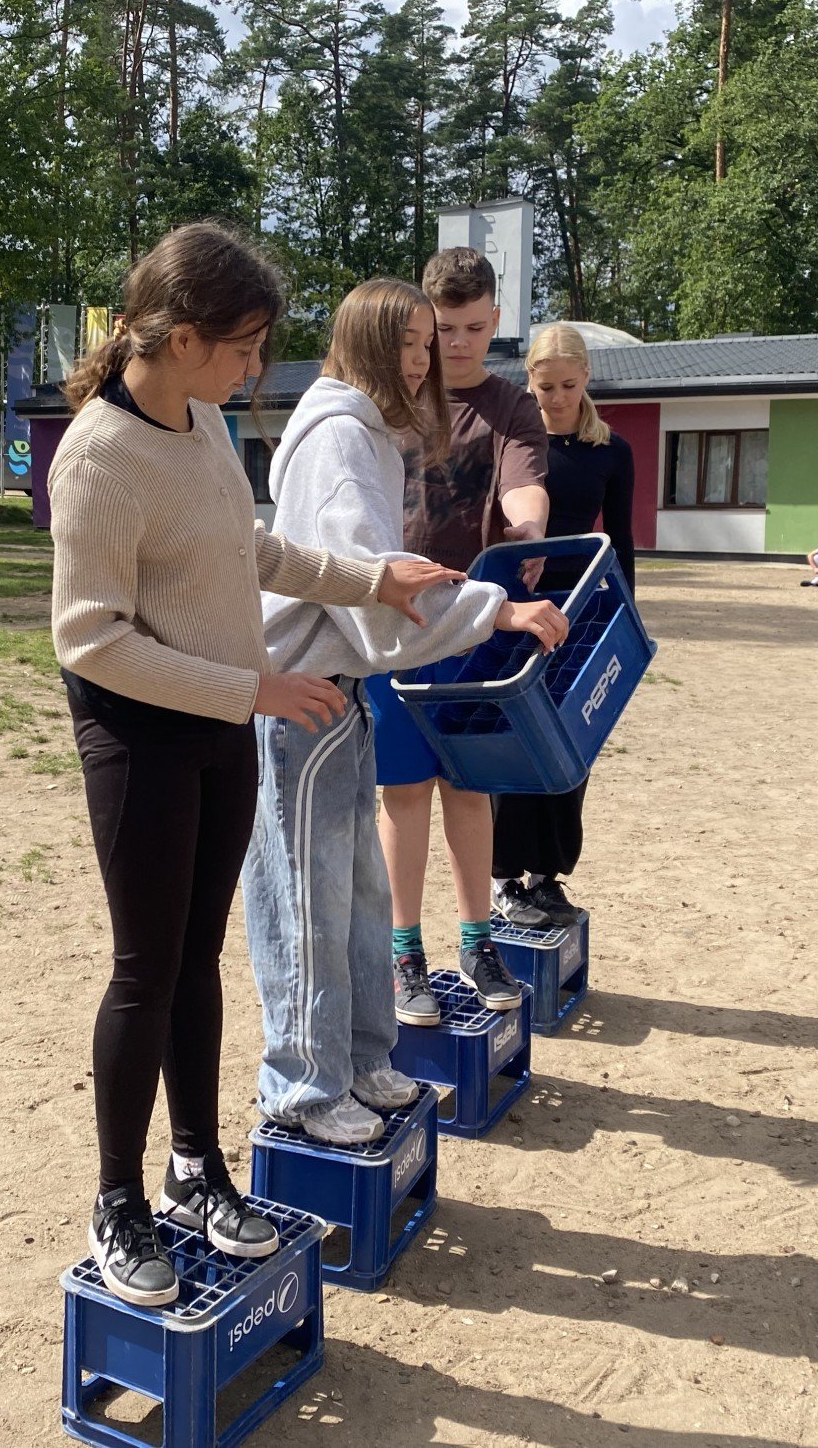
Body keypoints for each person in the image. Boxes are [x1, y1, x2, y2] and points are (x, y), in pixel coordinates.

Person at [48, 223, 466, 1306]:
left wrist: (373, 579)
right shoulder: (97, 455)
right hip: (140, 738)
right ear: (182, 337)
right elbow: (89, 639)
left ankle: (195, 1171)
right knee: (145, 971)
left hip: (219, 731)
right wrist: (255, 690)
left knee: (198, 963)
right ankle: (117, 1200)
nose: (254, 368)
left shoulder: (198, 423)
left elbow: (254, 549)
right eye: (242, 348)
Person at [245, 279, 569, 1145]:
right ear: (364, 343)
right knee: (307, 902)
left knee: (358, 894)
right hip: (301, 696)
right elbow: (375, 599)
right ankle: (303, 1087)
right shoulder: (339, 439)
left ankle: (358, 1060)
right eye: (408, 342)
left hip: (340, 694)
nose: (423, 360)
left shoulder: (369, 434)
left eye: (429, 343)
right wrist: (497, 611)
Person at [369, 247, 550, 1025]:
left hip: (475, 626)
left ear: (496, 321)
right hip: (395, 624)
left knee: (471, 788)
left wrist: (530, 533)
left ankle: (478, 942)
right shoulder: (392, 402)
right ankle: (403, 954)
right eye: (445, 329)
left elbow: (523, 487)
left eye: (475, 327)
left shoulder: (511, 407)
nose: (460, 343)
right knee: (405, 792)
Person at [490, 322, 636, 930]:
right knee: (514, 740)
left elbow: (620, 541)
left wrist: (627, 621)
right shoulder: (514, 445)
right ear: (529, 380)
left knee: (572, 742)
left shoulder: (612, 451)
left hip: (584, 613)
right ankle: (504, 877)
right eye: (544, 386)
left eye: (567, 386)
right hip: (519, 611)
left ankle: (548, 877)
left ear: (586, 379)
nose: (555, 398)